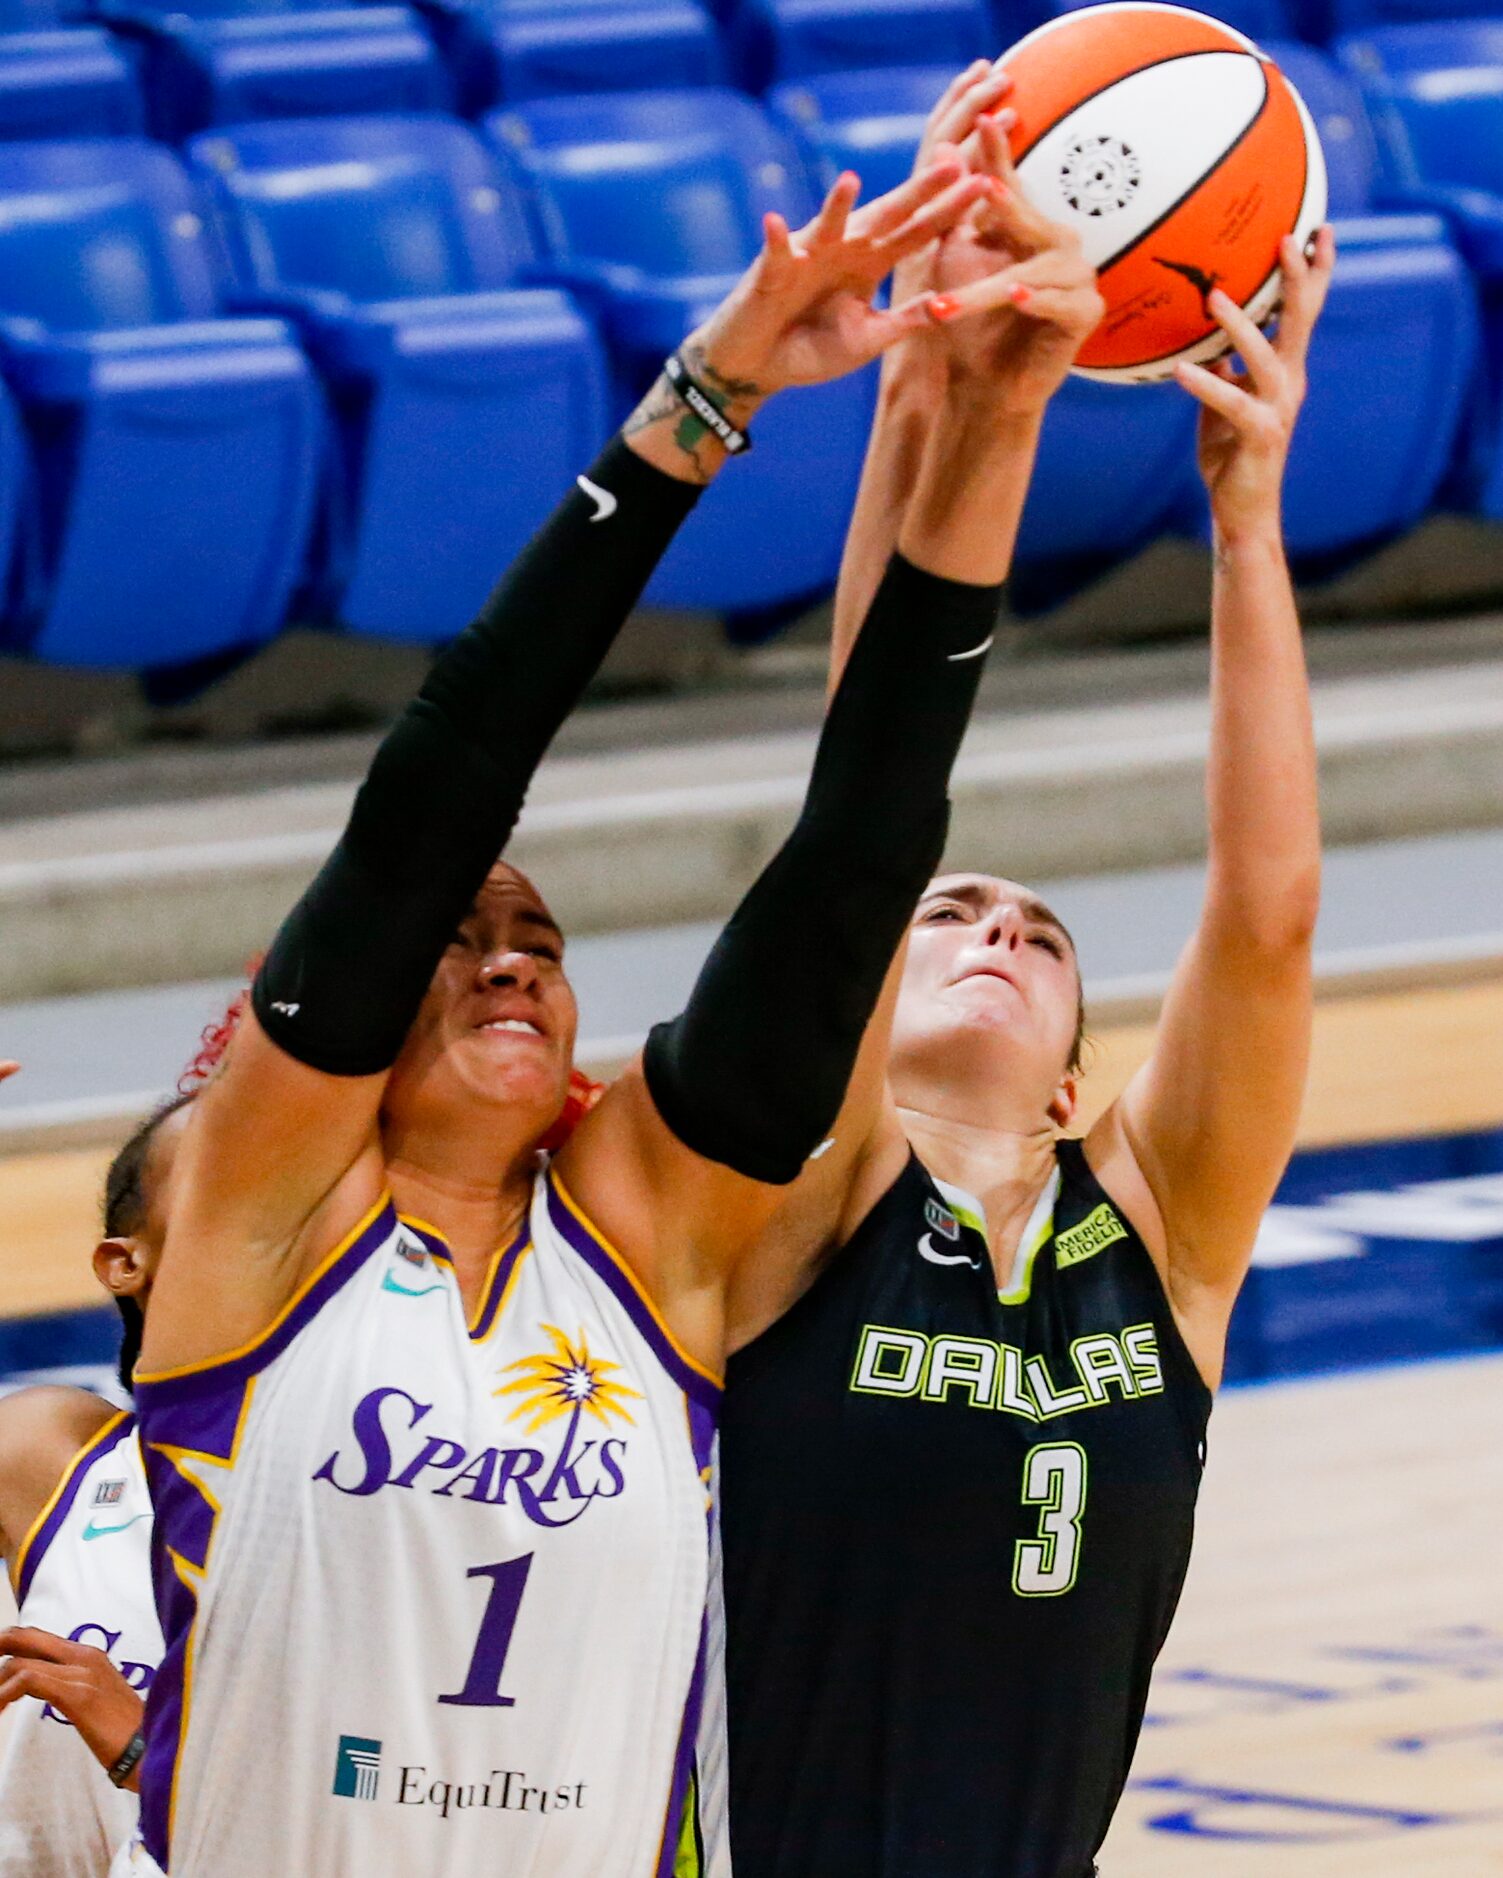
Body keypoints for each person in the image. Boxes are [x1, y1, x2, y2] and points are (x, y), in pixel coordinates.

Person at [111, 143, 1102, 1878]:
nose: (499, 953)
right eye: (454, 936)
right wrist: (702, 404)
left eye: (539, 938)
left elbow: (864, 848)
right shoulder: (259, 1209)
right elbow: (443, 777)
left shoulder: (651, 1236)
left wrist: (1000, 412)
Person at [702, 64, 1335, 1878]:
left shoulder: (1158, 1239)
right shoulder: (793, 1202)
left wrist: (1244, 515)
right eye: (953, 915)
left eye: (1038, 936)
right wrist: (926, 379)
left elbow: (1266, 909)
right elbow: (858, 818)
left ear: (1074, 1077)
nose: (994, 930)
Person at [0, 1067, 186, 1877]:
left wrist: (153, 1760)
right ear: (124, 1261)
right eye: (230, 1181)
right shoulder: (53, 1449)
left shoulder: (395, 1495)